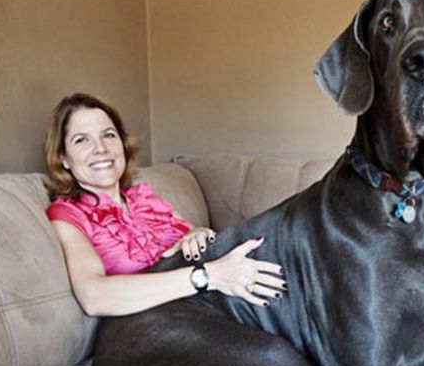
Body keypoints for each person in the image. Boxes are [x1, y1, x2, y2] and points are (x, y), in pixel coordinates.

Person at [44, 92, 286, 317]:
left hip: (212, 301)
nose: (101, 148)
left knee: (277, 239)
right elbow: (94, 297)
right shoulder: (67, 214)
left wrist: (198, 234)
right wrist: (207, 276)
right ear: (63, 158)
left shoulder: (143, 197)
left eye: (108, 135)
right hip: (160, 320)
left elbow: (195, 234)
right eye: (81, 140)